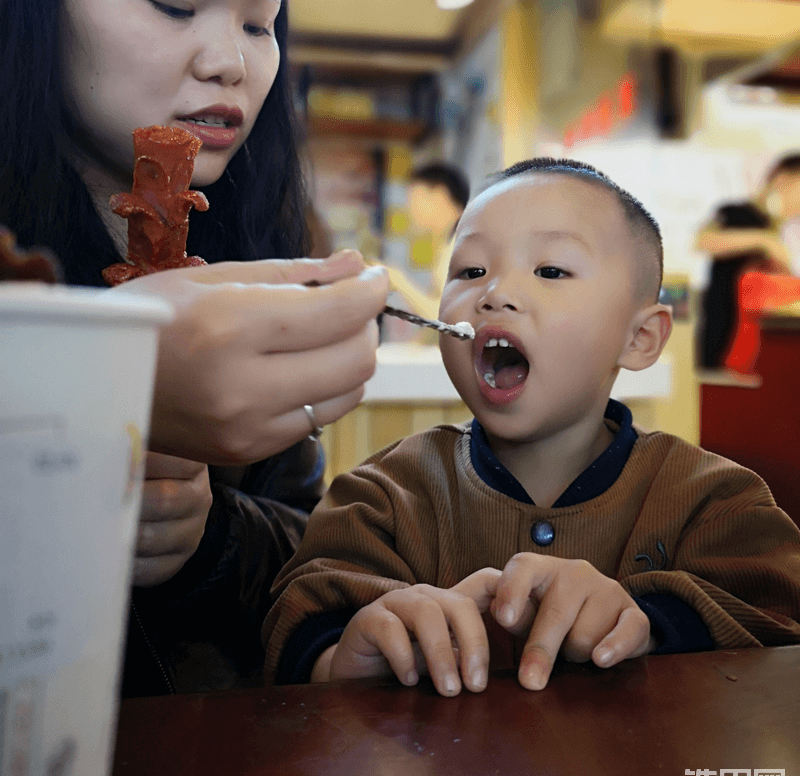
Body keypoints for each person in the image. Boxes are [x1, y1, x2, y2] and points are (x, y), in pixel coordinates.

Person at [0, 0, 389, 694]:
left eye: (261, 19)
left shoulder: (261, 248)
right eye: (175, 4)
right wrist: (105, 395)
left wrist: (206, 534)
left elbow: (304, 553)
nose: (231, 60)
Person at [263, 157, 800, 697]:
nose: (494, 293)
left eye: (550, 271)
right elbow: (299, 617)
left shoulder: (714, 499)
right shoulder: (384, 495)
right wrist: (343, 656)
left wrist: (650, 621)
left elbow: (776, 613)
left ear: (639, 338)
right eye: (471, 271)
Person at [695, 154, 800, 369]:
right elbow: (703, 241)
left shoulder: (775, 227)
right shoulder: (738, 213)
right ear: (783, 179)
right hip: (724, 333)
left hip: (751, 347)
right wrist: (763, 241)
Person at [382, 161, 469, 322]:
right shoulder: (450, 241)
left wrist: (399, 281)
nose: (409, 209)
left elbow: (446, 316)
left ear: (439, 195)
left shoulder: (465, 244)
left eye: (414, 199)